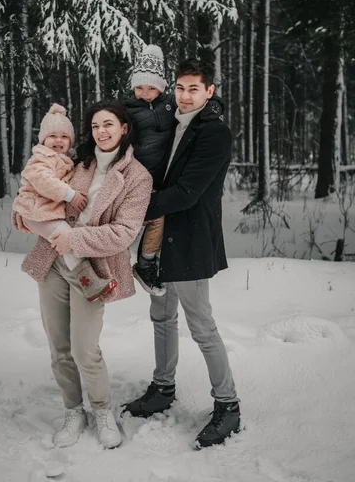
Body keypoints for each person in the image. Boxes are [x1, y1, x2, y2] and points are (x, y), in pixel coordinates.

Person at [13, 100, 153, 449]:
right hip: (54, 261)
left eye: (108, 125)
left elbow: (123, 233)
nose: (101, 132)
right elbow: (36, 185)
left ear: (124, 128)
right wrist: (21, 210)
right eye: (94, 126)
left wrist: (74, 238)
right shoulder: (78, 164)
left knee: (84, 347)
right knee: (59, 346)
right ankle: (74, 410)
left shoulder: (138, 177)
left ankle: (102, 410)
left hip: (93, 269)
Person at [122, 59, 241, 449]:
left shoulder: (215, 133)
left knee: (201, 326)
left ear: (209, 91)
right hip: (161, 238)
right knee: (161, 316)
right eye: (179, 87)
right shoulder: (174, 122)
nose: (184, 95)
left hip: (190, 239)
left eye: (193, 88)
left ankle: (228, 406)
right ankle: (162, 387)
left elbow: (188, 192)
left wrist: (134, 209)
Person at [13, 103, 116, 301]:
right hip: (36, 212)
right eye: (52, 136)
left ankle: (88, 282)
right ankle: (91, 283)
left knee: (67, 241)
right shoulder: (41, 158)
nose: (58, 141)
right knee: (68, 239)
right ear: (43, 139)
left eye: (64, 137)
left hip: (44, 212)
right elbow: (44, 182)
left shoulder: (65, 159)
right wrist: (71, 195)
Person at [121, 44, 176, 296]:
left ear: (161, 88)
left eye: (151, 88)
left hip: (162, 178)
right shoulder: (126, 111)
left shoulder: (170, 107)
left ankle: (145, 264)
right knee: (129, 223)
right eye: (139, 87)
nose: (145, 93)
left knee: (158, 219)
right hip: (136, 179)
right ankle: (110, 262)